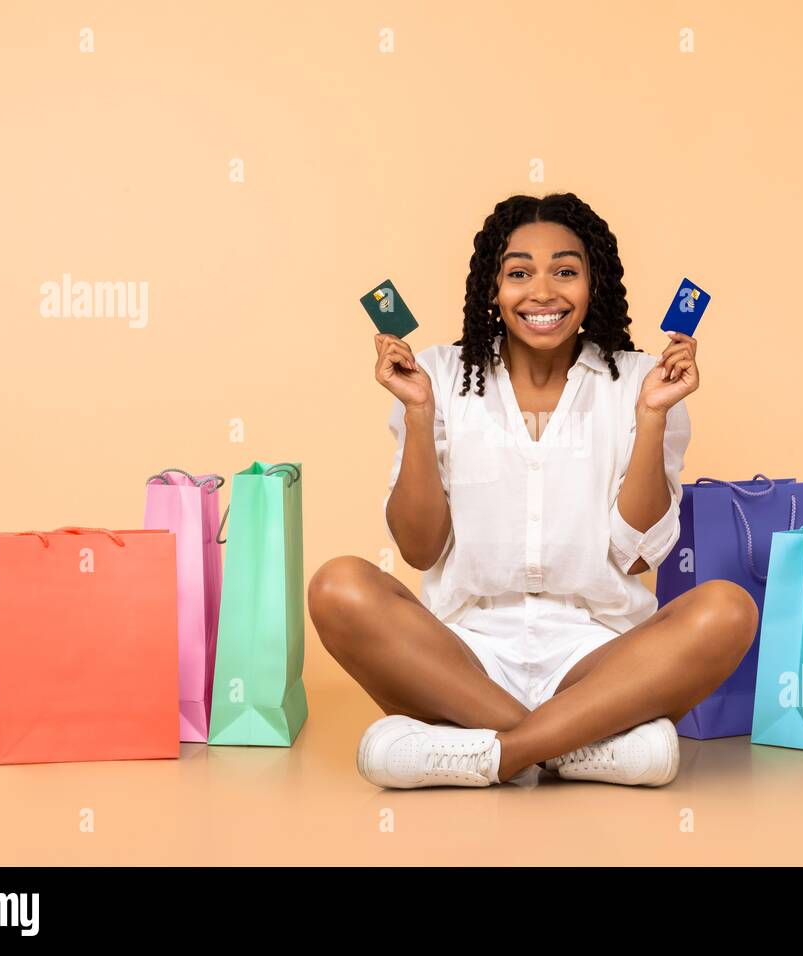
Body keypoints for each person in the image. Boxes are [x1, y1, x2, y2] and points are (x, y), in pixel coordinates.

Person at [308, 192, 758, 789]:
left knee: (727, 610)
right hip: (463, 659)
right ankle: (573, 745)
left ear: (593, 284)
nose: (542, 292)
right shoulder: (437, 375)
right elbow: (418, 549)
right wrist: (418, 412)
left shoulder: (643, 381)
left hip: (598, 659)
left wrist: (651, 416)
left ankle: (493, 754)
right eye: (519, 272)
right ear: (492, 288)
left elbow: (642, 555)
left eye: (565, 271)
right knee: (338, 585)